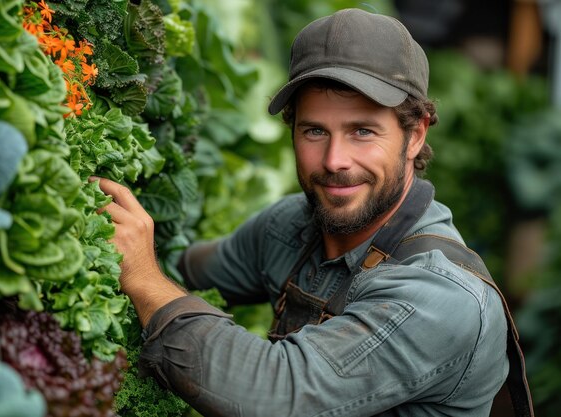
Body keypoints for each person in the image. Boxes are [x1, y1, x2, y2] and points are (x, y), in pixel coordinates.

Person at [95, 8, 532, 417]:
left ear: (415, 135)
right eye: (314, 130)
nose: (334, 160)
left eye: (362, 131)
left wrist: (145, 278)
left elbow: (273, 392)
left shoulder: (442, 297)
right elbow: (185, 272)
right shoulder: (290, 225)